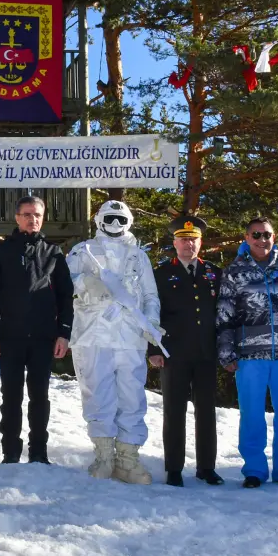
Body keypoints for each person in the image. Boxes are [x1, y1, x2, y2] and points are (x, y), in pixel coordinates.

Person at [217, 217, 278, 488]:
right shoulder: (234, 272)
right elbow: (224, 317)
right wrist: (226, 352)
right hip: (249, 356)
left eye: (267, 235)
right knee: (251, 413)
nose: (262, 240)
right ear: (247, 238)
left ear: (275, 237)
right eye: (256, 235)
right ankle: (254, 470)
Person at [67, 200, 160, 484]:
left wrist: (151, 322)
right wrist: (86, 283)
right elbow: (63, 281)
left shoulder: (138, 256)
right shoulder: (83, 251)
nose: (116, 225)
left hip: (130, 336)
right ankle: (104, 456)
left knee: (132, 397)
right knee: (98, 395)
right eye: (110, 219)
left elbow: (150, 295)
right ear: (99, 220)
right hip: (93, 335)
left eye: (121, 220)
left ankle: (128, 458)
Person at [0, 195, 73, 464]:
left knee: (39, 396)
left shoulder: (53, 253)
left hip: (43, 337)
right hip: (10, 337)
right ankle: (10, 452)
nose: (33, 219)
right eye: (27, 215)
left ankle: (39, 452)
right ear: (17, 218)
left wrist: (63, 333)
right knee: (11, 396)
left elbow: (66, 296)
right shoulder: (0, 252)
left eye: (38, 215)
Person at [149, 215, 224, 488]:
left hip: (206, 352)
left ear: (200, 243)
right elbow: (152, 313)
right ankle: (174, 468)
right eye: (183, 240)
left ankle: (207, 467)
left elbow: (221, 313)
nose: (188, 245)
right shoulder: (160, 274)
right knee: (174, 411)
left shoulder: (214, 272)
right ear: (174, 242)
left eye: (193, 240)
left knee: (206, 411)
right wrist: (153, 348)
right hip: (173, 353)